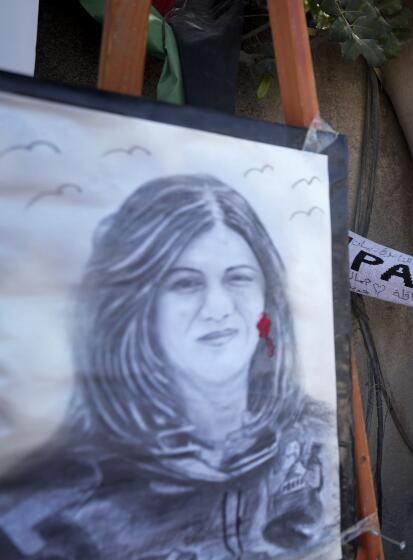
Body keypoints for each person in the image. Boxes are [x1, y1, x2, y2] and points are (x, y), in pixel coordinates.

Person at [0, 175, 335, 559]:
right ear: (138, 308)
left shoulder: (318, 439)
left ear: (268, 296)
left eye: (238, 278)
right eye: (186, 283)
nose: (218, 308)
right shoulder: (61, 509)